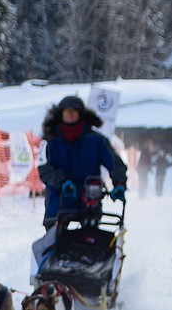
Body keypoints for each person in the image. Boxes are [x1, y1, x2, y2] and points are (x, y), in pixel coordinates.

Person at [37, 95, 128, 227]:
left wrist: (119, 183)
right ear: (60, 115)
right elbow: (44, 169)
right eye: (67, 112)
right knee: (56, 243)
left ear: (81, 115)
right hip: (59, 199)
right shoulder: (49, 141)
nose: (70, 115)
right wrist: (61, 182)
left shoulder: (96, 140)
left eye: (74, 112)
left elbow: (114, 163)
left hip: (89, 198)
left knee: (89, 241)